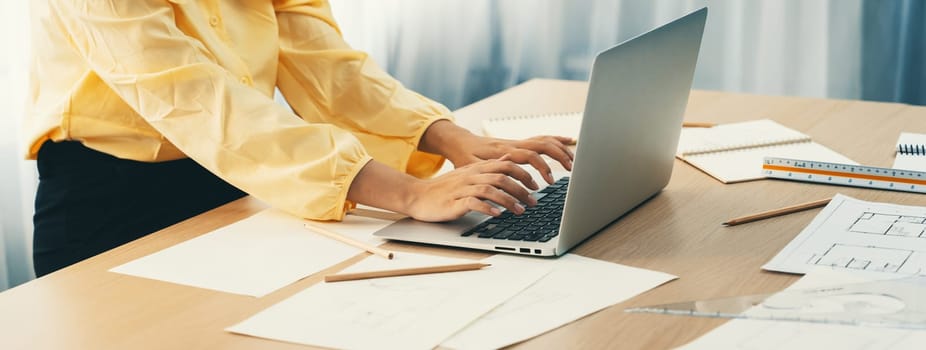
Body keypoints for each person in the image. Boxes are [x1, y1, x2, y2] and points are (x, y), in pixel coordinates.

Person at [26, 0, 574, 276]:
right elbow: (194, 98)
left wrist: (446, 136)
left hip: (234, 176)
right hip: (107, 201)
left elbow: (324, 61)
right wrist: (408, 193)